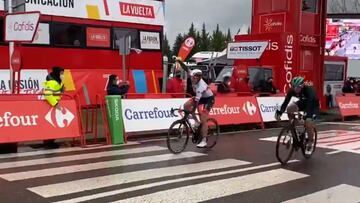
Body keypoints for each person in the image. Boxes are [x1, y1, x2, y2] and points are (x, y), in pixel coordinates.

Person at [175, 57, 215, 148]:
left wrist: (192, 111)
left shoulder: (201, 86)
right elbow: (186, 68)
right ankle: (196, 122)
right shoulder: (193, 75)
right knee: (186, 106)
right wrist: (179, 61)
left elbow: (196, 102)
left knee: (203, 118)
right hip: (200, 97)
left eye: (194, 78)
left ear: (199, 78)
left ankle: (204, 140)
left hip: (209, 99)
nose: (192, 79)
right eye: (192, 77)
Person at [275, 76, 320, 155]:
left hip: (313, 104)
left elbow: (309, 105)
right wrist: (280, 112)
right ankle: (294, 127)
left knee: (308, 121)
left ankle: (310, 142)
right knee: (289, 108)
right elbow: (286, 102)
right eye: (294, 87)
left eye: (298, 87)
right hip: (302, 102)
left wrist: (307, 115)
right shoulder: (292, 90)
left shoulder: (310, 90)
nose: (296, 89)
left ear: (302, 86)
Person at [43, 66, 65, 149]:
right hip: (51, 105)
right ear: (57, 73)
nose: (63, 75)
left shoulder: (58, 81)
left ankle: (51, 142)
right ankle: (48, 143)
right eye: (61, 73)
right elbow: (48, 95)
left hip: (54, 105)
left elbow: (59, 91)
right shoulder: (52, 82)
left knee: (55, 125)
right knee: (51, 124)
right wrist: (56, 104)